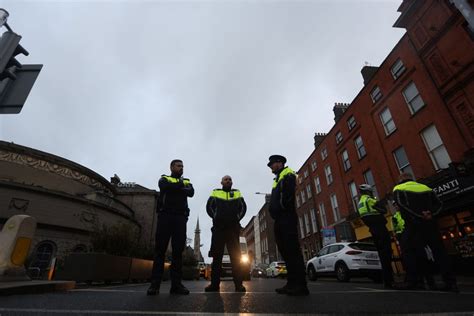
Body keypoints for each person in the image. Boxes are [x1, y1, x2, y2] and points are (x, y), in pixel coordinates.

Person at [393, 173, 458, 292]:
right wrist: (430, 214)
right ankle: (450, 282)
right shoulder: (425, 187)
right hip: (431, 223)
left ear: (400, 179)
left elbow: (402, 205)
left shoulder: (398, 188)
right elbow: (439, 204)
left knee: (414, 253)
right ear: (412, 178)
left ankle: (418, 282)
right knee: (440, 252)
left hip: (413, 224)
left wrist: (419, 215)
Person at [147, 159, 194, 295]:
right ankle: (155, 285)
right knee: (160, 251)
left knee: (178, 253)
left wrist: (178, 188)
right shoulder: (164, 179)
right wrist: (180, 187)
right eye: (179, 166)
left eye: (182, 166)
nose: (181, 168)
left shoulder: (187, 181)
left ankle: (176, 286)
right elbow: (165, 187)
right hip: (165, 216)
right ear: (172, 167)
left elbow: (191, 192)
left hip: (180, 218)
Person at [267, 154, 309, 296]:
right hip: (279, 218)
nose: (271, 167)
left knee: (292, 250)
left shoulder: (288, 173)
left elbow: (288, 195)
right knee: (285, 251)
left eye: (272, 164)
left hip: (287, 216)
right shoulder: (277, 178)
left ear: (279, 163)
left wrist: (282, 207)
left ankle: (301, 285)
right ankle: (291, 283)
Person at [205, 175, 247, 293]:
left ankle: (238, 285)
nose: (228, 181)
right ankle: (214, 285)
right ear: (221, 182)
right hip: (219, 228)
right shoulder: (215, 192)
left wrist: (237, 218)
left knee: (236, 257)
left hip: (233, 229)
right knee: (217, 257)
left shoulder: (237, 193)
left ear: (232, 182)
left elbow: (243, 208)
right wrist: (216, 217)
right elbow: (209, 207)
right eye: (225, 179)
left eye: (230, 179)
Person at [357, 184, 394, 288]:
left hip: (372, 229)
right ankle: (389, 280)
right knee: (387, 252)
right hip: (380, 227)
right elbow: (383, 209)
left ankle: (387, 280)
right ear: (368, 191)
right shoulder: (369, 200)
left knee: (382, 254)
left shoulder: (360, 203)